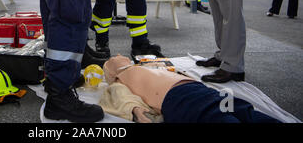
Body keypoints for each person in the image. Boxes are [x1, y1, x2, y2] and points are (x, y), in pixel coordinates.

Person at [102, 55, 281, 123]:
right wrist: (139, 113)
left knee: (242, 111)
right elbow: (124, 100)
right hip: (180, 97)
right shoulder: (120, 81)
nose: (120, 56)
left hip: (195, 92)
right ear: (111, 72)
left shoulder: (145, 68)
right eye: (115, 59)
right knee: (232, 114)